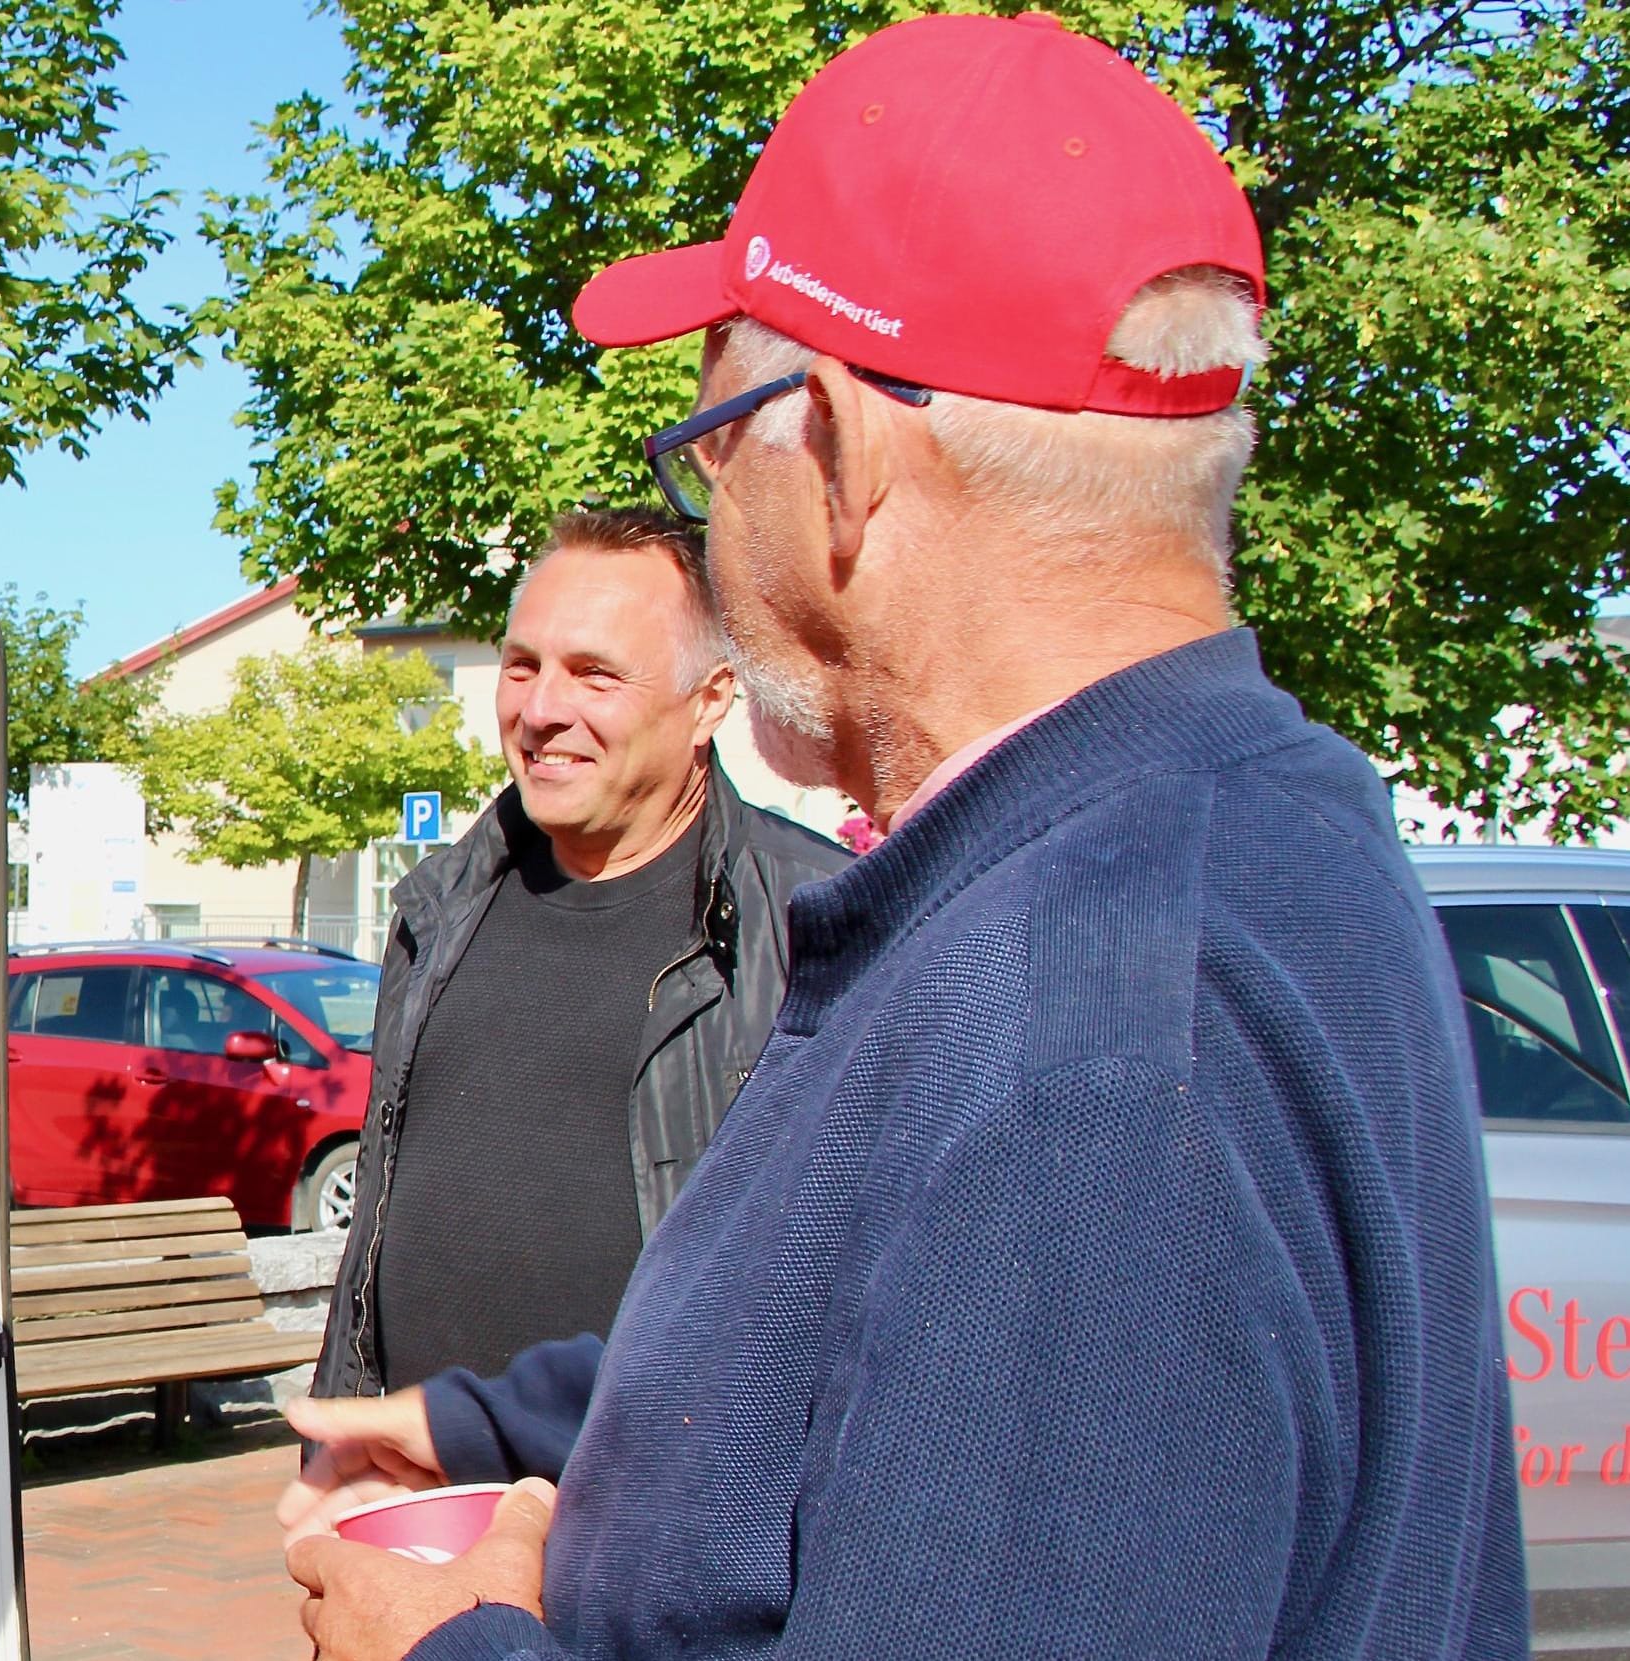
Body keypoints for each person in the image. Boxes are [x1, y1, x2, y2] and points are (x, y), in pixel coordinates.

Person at [278, 15, 1528, 1661]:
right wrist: (495, 1422)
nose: (717, 517)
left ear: (842, 448)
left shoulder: (1090, 1017)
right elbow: (859, 1345)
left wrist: (449, 1647)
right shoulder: (1258, 826)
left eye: (711, 450)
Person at [314, 506, 846, 1402]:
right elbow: (374, 1237)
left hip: (663, 1484)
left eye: (595, 675)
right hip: (407, 1477)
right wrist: (340, 1435)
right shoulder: (435, 909)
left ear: (711, 699)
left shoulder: (819, 922)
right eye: (523, 665)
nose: (541, 711)